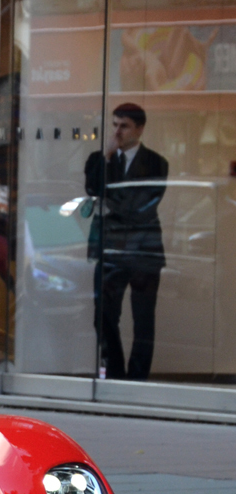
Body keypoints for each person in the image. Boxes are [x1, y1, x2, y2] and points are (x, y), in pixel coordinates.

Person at [84, 102, 168, 380]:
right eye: (115, 124)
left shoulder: (157, 162)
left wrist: (111, 203)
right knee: (103, 316)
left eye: (125, 126)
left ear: (139, 129)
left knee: (143, 319)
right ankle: (117, 375)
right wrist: (107, 159)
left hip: (144, 250)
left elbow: (141, 205)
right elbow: (93, 190)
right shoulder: (99, 160)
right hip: (110, 250)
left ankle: (138, 379)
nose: (118, 131)